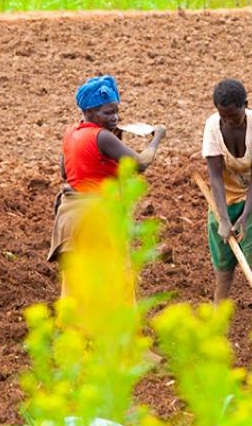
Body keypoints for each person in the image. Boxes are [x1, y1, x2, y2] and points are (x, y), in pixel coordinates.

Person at [48, 75, 166, 295]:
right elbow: (141, 164)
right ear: (90, 112)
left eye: (115, 111)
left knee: (77, 282)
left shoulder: (71, 133)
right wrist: (157, 137)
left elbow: (65, 172)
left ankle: (73, 327)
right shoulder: (102, 137)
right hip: (98, 217)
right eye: (108, 113)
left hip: (71, 217)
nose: (115, 117)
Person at [202, 78, 252, 308]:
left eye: (234, 116)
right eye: (223, 116)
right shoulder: (213, 127)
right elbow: (215, 177)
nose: (229, 121)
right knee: (223, 258)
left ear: (246, 104)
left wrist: (245, 216)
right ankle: (218, 314)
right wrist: (223, 219)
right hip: (225, 192)